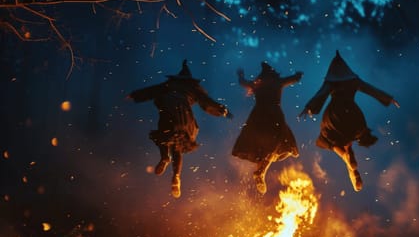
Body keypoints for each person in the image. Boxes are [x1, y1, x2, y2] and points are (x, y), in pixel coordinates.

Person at [128, 60, 232, 198]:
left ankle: (165, 157)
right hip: (183, 115)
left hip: (167, 109)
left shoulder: (169, 84)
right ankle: (176, 176)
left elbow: (153, 91)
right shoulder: (193, 88)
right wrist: (222, 110)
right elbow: (206, 101)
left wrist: (135, 95)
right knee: (177, 146)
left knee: (164, 135)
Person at [300, 50, 399, 192]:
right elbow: (370, 89)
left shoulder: (331, 82)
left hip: (335, 114)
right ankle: (348, 155)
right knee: (347, 138)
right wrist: (388, 98)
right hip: (353, 115)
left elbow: (321, 94)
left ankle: (346, 157)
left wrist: (309, 107)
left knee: (330, 139)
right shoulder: (353, 81)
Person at [232, 62, 303, 194]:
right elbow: (294, 79)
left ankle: (260, 172)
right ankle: (260, 172)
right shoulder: (278, 82)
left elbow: (243, 82)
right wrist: (299, 74)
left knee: (262, 147)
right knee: (275, 145)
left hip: (258, 116)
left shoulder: (257, 84)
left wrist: (240, 75)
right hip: (274, 116)